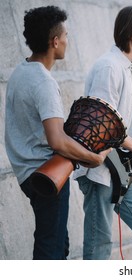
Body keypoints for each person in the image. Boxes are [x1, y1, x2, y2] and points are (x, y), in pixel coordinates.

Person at [4, 5, 110, 260]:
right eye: (65, 36)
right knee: (50, 249)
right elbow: (57, 140)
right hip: (47, 174)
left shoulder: (21, 71)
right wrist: (93, 158)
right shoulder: (43, 82)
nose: (67, 40)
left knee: (57, 245)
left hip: (28, 172)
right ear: (54, 41)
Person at [73, 6, 132, 260]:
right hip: (100, 168)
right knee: (100, 243)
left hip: (122, 167)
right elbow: (100, 123)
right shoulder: (109, 67)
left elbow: (119, 122)